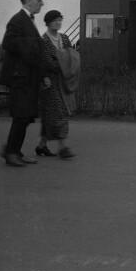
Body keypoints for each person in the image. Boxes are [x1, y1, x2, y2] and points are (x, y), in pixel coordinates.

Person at [0, 0, 48, 167]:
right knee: (22, 116)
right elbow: (7, 42)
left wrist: (43, 75)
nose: (41, 4)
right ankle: (11, 153)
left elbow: (33, 51)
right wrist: (29, 45)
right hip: (19, 78)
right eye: (38, 0)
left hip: (27, 77)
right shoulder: (18, 20)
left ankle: (14, 151)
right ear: (27, 1)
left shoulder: (28, 20)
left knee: (26, 116)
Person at [35, 10, 80, 159]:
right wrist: (63, 62)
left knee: (50, 115)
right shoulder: (44, 41)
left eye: (60, 20)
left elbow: (71, 55)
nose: (58, 23)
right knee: (59, 112)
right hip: (49, 82)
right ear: (48, 22)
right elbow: (46, 62)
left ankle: (41, 146)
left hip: (63, 81)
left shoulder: (65, 38)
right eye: (55, 20)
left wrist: (62, 61)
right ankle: (63, 148)